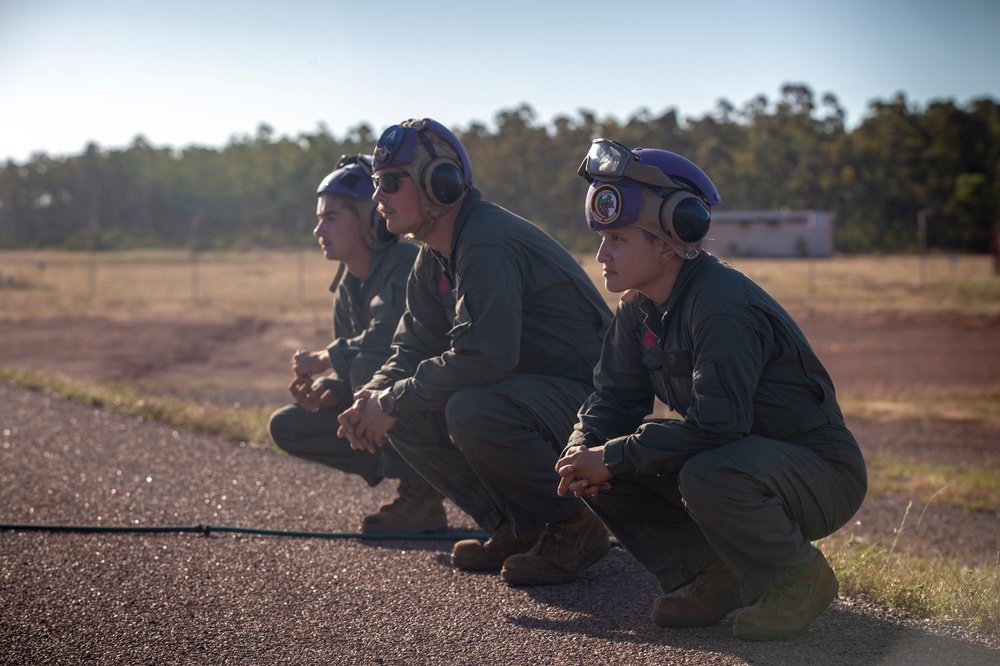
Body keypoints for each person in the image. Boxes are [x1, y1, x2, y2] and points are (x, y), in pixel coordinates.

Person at [555, 139, 867, 640]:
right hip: (742, 460)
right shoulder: (637, 308)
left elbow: (720, 425)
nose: (601, 254)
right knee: (608, 464)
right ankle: (715, 573)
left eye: (617, 239)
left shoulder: (720, 303)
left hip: (819, 471)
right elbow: (611, 399)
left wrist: (611, 456)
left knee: (701, 472)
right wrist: (582, 451)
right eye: (602, 238)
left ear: (667, 243)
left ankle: (797, 577)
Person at [337, 118, 615, 585]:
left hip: (594, 401)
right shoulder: (435, 255)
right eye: (375, 183)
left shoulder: (486, 241)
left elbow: (485, 357)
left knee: (470, 409)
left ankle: (572, 524)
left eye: (390, 182)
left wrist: (391, 400)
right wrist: (373, 396)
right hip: (533, 394)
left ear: (440, 183)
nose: (377, 195)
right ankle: (519, 526)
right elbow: (413, 344)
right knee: (406, 408)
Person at [267, 154, 448, 534]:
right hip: (395, 405)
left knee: (370, 369)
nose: (319, 229)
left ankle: (423, 492)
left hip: (438, 400)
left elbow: (390, 338)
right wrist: (329, 391)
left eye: (331, 217)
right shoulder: (347, 290)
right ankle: (416, 479)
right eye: (319, 218)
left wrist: (325, 358)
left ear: (370, 220)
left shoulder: (405, 261)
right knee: (287, 424)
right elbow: (352, 368)